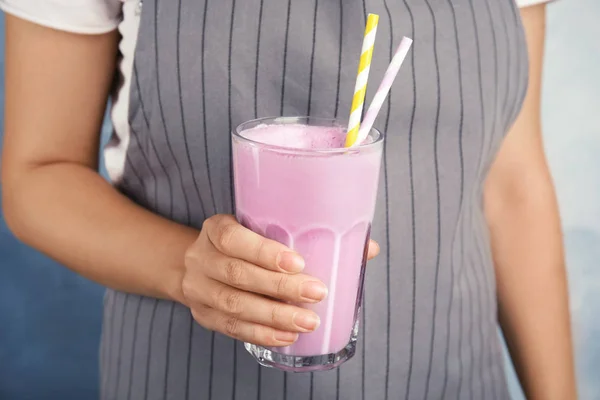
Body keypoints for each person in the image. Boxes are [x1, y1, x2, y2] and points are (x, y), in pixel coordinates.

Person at [1, 0, 576, 398]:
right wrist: (183, 266)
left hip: (456, 380)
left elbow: (512, 186)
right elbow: (37, 173)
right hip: (186, 378)